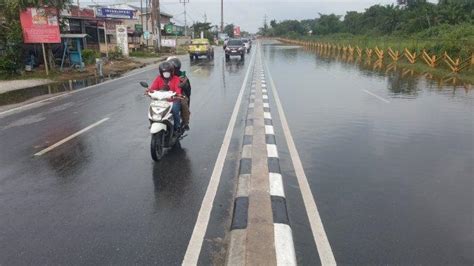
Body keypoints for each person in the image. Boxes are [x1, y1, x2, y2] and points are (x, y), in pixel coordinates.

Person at [147, 61, 183, 133]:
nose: (166, 74)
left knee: (175, 111)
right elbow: (153, 88)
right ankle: (153, 123)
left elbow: (178, 89)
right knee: (152, 110)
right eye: (164, 72)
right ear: (161, 72)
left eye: (168, 72)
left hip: (173, 100)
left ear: (172, 72)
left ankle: (177, 127)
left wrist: (177, 94)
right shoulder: (158, 78)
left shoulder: (176, 79)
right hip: (160, 100)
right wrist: (148, 91)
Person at [167, 57, 191, 131]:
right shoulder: (164, 74)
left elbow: (187, 89)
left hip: (179, 93)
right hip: (166, 94)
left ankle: (185, 122)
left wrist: (183, 83)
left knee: (184, 104)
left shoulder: (182, 76)